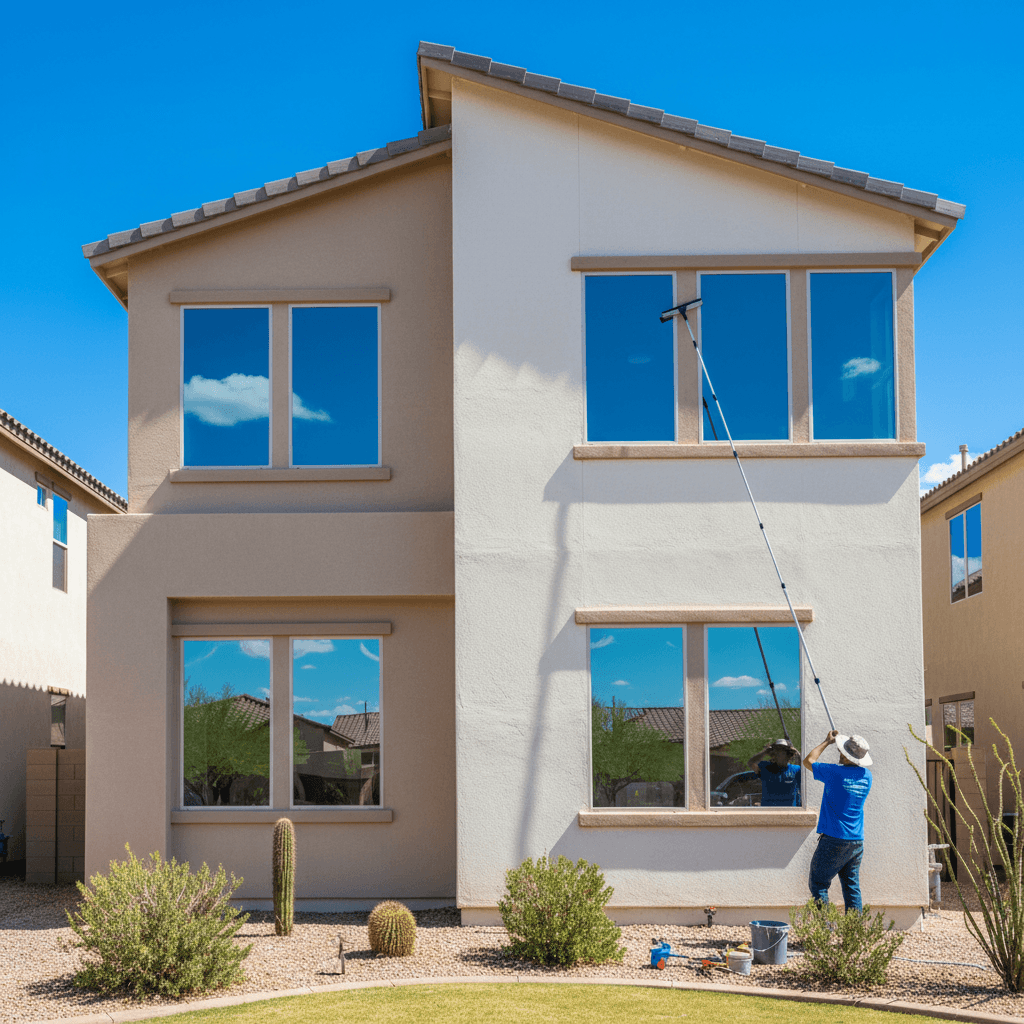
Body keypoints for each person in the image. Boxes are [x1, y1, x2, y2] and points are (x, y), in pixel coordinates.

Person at [803, 729, 873, 911]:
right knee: (851, 887)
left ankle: (824, 930)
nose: (840, 754)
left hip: (834, 839)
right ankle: (853, 931)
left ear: (849, 757)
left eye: (843, 752)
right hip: (856, 841)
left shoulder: (834, 773)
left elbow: (808, 761)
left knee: (818, 883)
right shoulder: (867, 776)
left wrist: (828, 742)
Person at [747, 738, 801, 807]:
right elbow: (751, 763)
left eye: (781, 750)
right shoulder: (765, 767)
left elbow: (806, 768)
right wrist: (765, 752)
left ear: (788, 753)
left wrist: (796, 752)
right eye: (776, 750)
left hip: (789, 813)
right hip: (769, 813)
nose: (777, 752)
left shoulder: (795, 769)